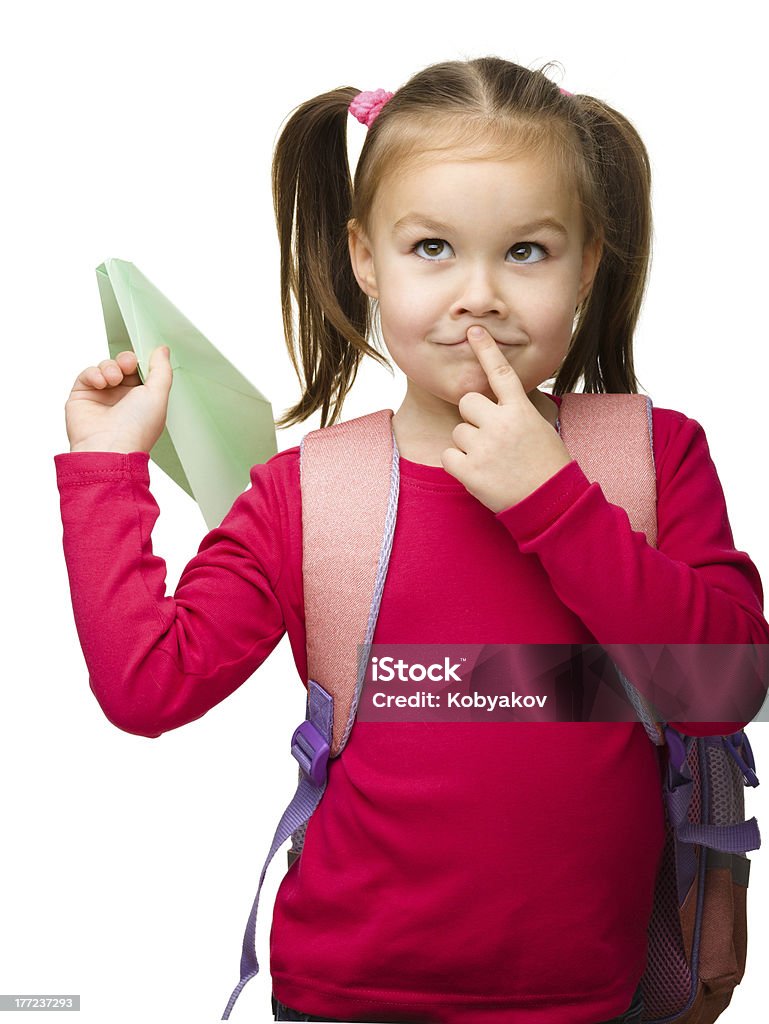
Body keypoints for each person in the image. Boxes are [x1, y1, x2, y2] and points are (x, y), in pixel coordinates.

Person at [54, 56, 769, 1024]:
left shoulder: (653, 457)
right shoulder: (305, 492)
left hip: (590, 997)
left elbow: (725, 687)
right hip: (344, 995)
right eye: (432, 247)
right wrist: (106, 471)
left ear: (588, 264)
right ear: (364, 259)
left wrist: (551, 501)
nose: (478, 294)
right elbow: (148, 688)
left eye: (527, 251)